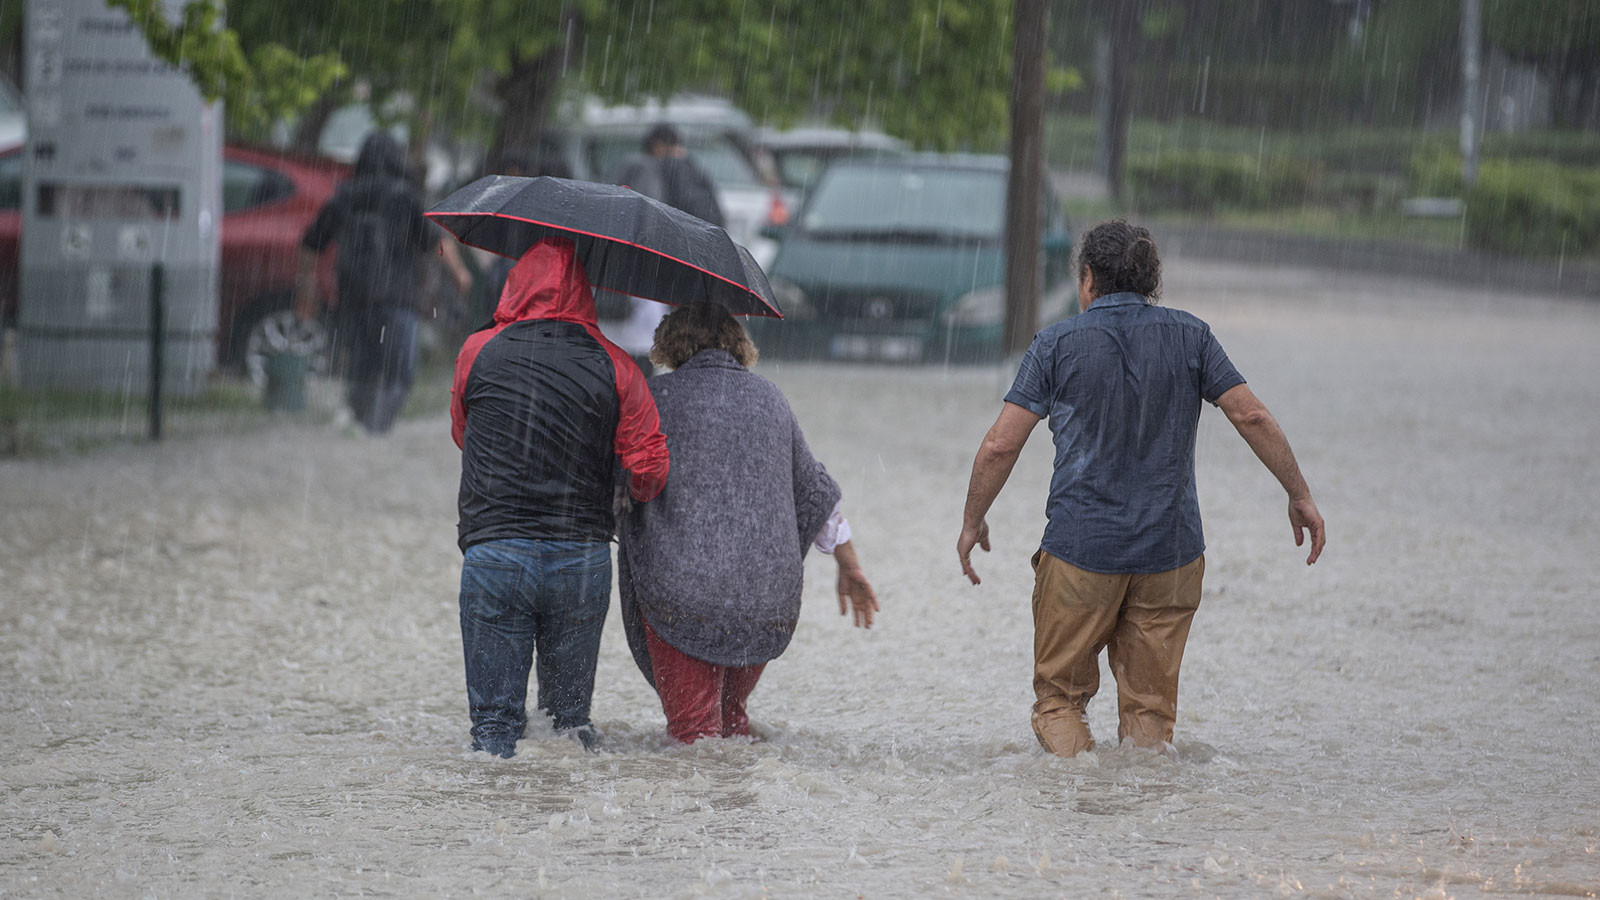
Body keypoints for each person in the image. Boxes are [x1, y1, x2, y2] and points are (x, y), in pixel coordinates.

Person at [956, 220, 1326, 758]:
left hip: (1082, 551)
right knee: (1149, 713)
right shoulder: (1191, 336)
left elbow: (999, 446)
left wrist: (973, 518)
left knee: (1059, 701)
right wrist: (1299, 493)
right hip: (1170, 554)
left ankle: (1079, 813)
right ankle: (1142, 830)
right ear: (1151, 280)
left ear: (1088, 279)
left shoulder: (1055, 344)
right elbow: (1251, 415)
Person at [617, 302, 878, 744]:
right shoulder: (770, 400)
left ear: (668, 344)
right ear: (738, 343)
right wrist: (849, 565)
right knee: (732, 725)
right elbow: (815, 492)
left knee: (694, 740)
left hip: (684, 598)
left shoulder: (655, 400)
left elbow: (623, 481)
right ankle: (744, 810)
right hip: (763, 603)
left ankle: (696, 816)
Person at [450, 236, 670, 757]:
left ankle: (481, 831)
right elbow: (650, 468)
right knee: (568, 730)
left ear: (515, 285)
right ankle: (567, 829)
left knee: (493, 734)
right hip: (580, 557)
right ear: (584, 292)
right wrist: (625, 489)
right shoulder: (618, 366)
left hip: (494, 553)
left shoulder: (476, 351)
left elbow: (464, 433)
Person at [295, 131, 470, 434]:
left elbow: (311, 244)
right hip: (397, 298)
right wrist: (460, 273)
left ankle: (361, 421)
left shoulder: (345, 195)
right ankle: (379, 427)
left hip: (354, 295)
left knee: (362, 367)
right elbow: (435, 241)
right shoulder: (407, 196)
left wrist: (308, 286)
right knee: (399, 373)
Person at [606, 124, 727, 372]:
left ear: (657, 146)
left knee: (629, 354)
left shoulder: (643, 169)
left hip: (639, 274)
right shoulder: (690, 171)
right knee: (652, 350)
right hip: (678, 271)